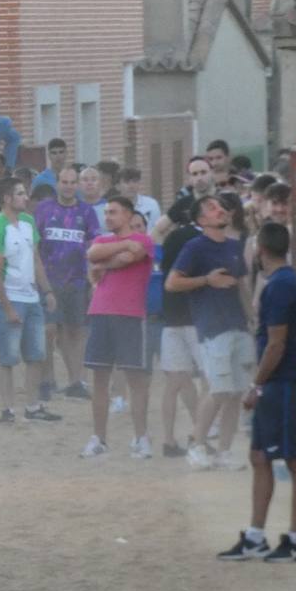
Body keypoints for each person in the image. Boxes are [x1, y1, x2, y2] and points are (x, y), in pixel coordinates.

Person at [218, 223, 296, 562]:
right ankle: (257, 535)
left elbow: (276, 344)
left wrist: (255, 385)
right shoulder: (295, 282)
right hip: (281, 383)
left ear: (259, 252)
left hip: (283, 383)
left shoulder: (279, 287)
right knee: (259, 456)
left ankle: (295, 539)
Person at [166, 195, 254, 470]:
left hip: (238, 325)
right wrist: (207, 280)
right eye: (212, 208)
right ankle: (197, 444)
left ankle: (224, 452)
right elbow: (172, 283)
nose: (221, 210)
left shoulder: (234, 246)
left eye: (221, 206)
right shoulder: (194, 247)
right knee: (218, 389)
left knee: (236, 391)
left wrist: (252, 319)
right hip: (212, 328)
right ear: (202, 220)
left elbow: (241, 285)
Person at [78, 198, 156, 458]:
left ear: (128, 214)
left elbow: (128, 258)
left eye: (113, 213)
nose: (108, 217)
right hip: (100, 312)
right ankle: (98, 438)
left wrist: (103, 264)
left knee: (136, 379)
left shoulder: (144, 240)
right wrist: (120, 246)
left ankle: (141, 438)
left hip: (130, 315)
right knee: (100, 379)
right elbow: (92, 254)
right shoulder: (103, 240)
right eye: (106, 213)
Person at [0, 176, 62, 424]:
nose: (25, 198)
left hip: (30, 296)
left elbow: (36, 260)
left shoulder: (29, 222)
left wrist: (47, 290)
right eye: (20, 193)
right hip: (9, 296)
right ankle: (8, 409)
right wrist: (7, 306)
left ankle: (32, 405)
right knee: (8, 357)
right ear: (7, 198)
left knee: (36, 354)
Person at [35, 166, 102, 399]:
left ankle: (76, 381)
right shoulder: (44, 210)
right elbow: (34, 244)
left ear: (78, 185)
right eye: (65, 182)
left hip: (76, 279)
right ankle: (46, 379)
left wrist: (94, 280)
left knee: (75, 332)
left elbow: (94, 246)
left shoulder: (87, 212)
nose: (69, 186)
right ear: (57, 183)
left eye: (73, 182)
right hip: (49, 279)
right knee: (48, 331)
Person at [156, 200, 203, 457]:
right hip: (196, 316)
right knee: (207, 380)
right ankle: (200, 434)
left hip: (171, 315)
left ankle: (168, 439)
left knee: (175, 381)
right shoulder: (202, 239)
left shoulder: (172, 237)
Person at [117, 167, 161, 233]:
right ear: (118, 186)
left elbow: (157, 230)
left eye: (135, 181)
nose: (131, 186)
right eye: (126, 182)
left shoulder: (151, 205)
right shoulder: (112, 207)